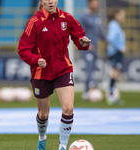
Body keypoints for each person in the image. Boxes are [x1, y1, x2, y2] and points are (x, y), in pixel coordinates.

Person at [18, 0, 91, 150]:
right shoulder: (34, 21)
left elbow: (79, 38)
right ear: (42, 1)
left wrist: (83, 43)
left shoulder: (67, 18)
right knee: (43, 114)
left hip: (63, 69)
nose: (50, 1)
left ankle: (62, 146)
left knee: (68, 108)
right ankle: (42, 139)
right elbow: (23, 49)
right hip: (41, 72)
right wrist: (36, 60)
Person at [79, 0, 106, 100]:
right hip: (87, 48)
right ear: (89, 4)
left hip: (95, 48)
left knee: (93, 68)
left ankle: (86, 92)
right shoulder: (84, 17)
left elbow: (100, 33)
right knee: (89, 68)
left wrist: (107, 40)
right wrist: (87, 45)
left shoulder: (97, 17)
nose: (97, 4)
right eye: (95, 2)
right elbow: (80, 32)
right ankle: (92, 87)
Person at [106, 8, 126, 105]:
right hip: (115, 52)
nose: (123, 17)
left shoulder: (116, 25)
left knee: (115, 74)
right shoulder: (113, 25)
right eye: (122, 14)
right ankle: (110, 95)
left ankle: (112, 93)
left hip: (116, 52)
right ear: (116, 15)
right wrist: (120, 47)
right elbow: (110, 38)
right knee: (114, 74)